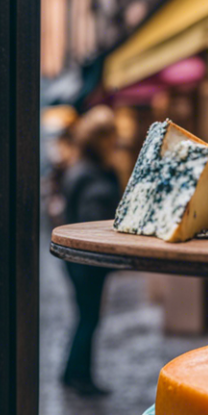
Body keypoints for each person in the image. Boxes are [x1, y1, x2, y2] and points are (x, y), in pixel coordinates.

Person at [60, 106, 122, 397]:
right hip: (87, 261)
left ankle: (73, 371)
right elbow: (92, 219)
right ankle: (79, 376)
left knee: (86, 317)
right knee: (89, 317)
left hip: (80, 260)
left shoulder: (81, 168)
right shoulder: (91, 173)